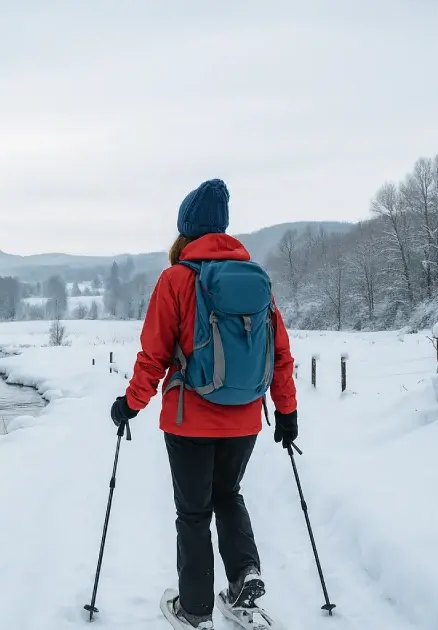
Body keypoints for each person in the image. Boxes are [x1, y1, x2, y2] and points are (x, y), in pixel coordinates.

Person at [109, 179, 298, 629]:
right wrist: (287, 412)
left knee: (193, 514)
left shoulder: (176, 279)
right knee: (228, 495)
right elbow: (280, 354)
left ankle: (195, 611)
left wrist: (130, 404)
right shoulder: (256, 280)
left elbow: (154, 355)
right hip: (244, 419)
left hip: (188, 420)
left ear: (185, 229)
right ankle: (244, 577)